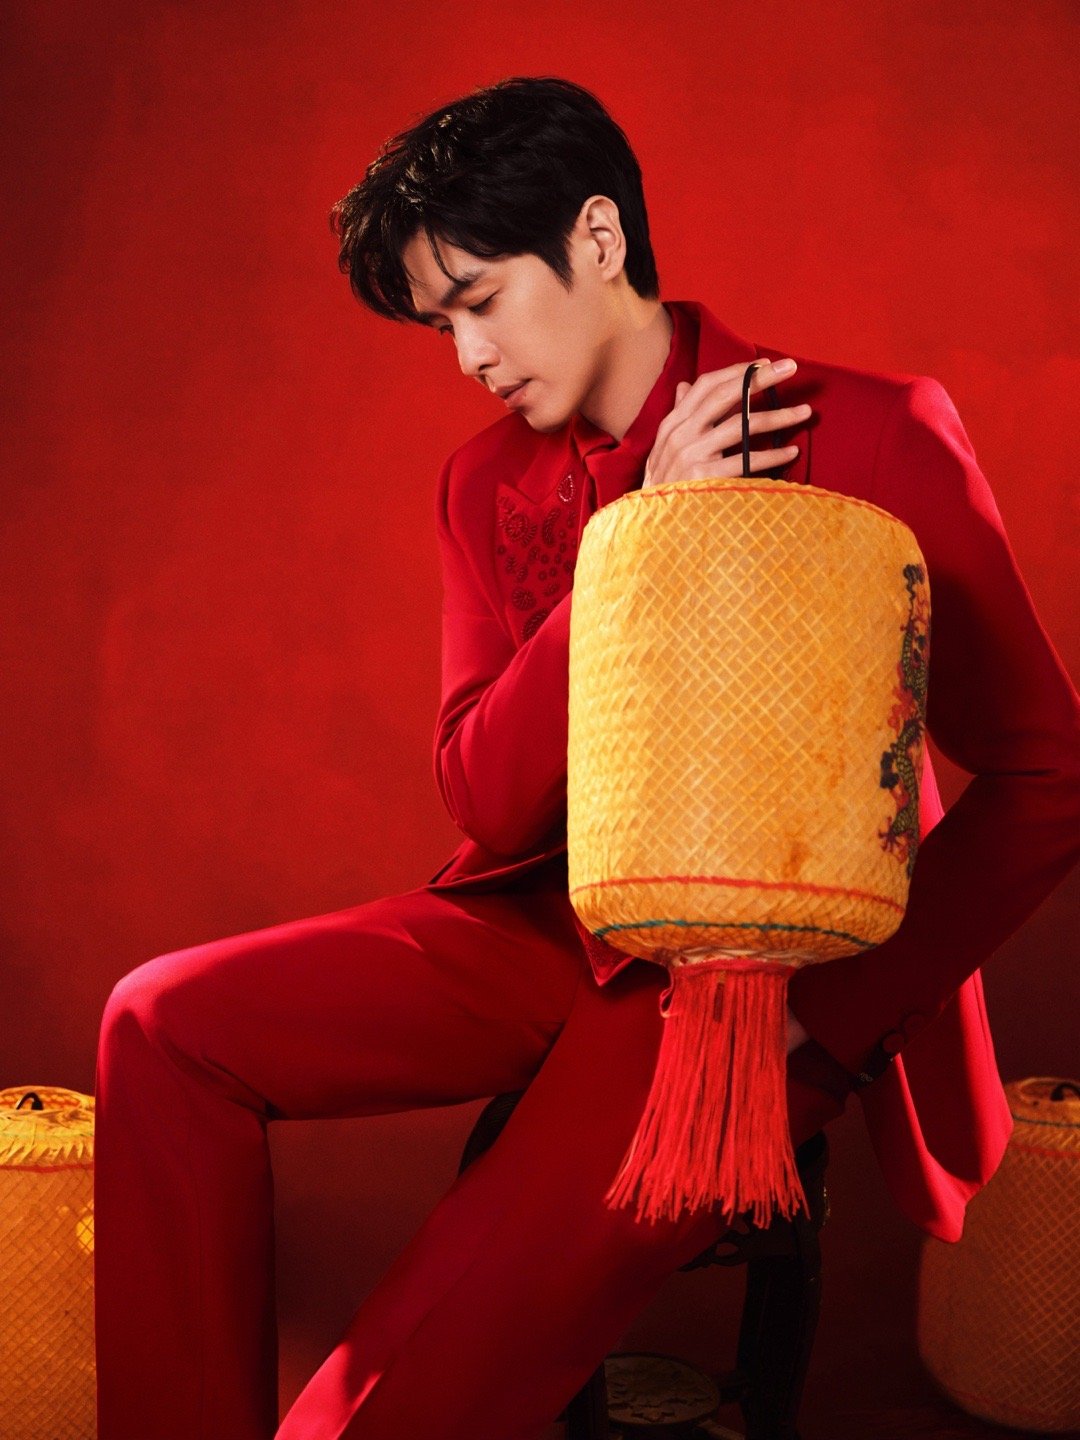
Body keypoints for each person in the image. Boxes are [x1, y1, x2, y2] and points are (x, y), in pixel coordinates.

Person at [93, 75, 1080, 1440]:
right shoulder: (482, 483)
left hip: (745, 995)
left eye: (481, 300)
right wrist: (630, 553)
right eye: (441, 325)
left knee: (398, 1392)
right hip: (541, 922)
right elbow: (488, 802)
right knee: (157, 1021)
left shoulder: (873, 431)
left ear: (599, 238)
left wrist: (834, 1016)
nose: (468, 357)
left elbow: (1049, 775)